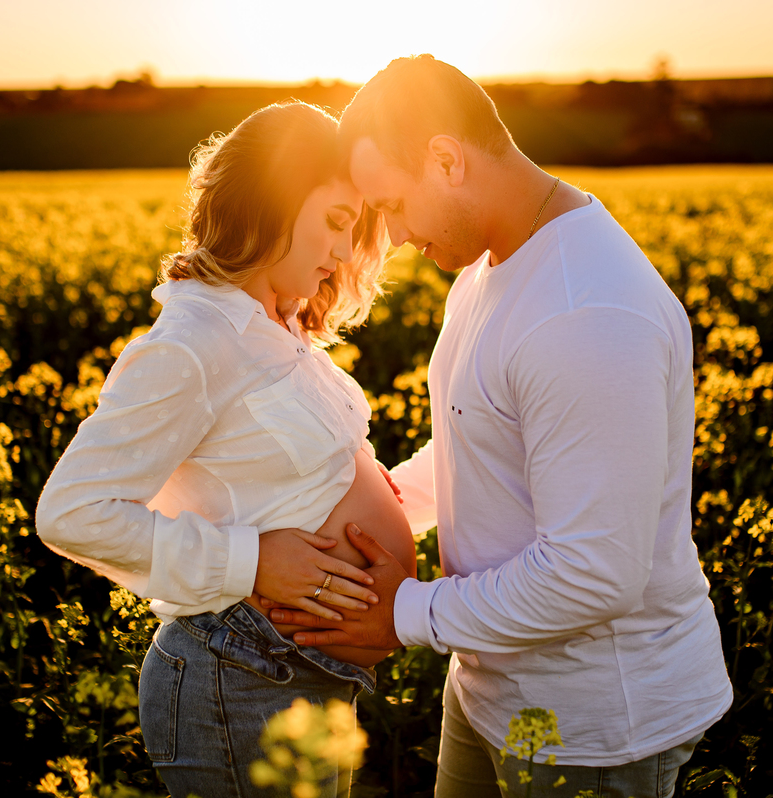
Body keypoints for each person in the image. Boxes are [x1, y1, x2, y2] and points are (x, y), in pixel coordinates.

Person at [266, 56, 734, 798]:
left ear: (446, 160)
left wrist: (403, 613)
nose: (388, 236)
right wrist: (369, 508)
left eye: (389, 206)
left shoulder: (586, 312)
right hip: (490, 682)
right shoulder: (488, 268)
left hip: (594, 726)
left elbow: (593, 573)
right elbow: (474, 441)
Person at [34, 100, 417, 798]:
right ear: (272, 201)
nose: (341, 251)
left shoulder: (276, 328)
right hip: (236, 679)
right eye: (335, 221)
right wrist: (255, 562)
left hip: (297, 676)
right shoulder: (192, 343)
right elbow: (71, 513)